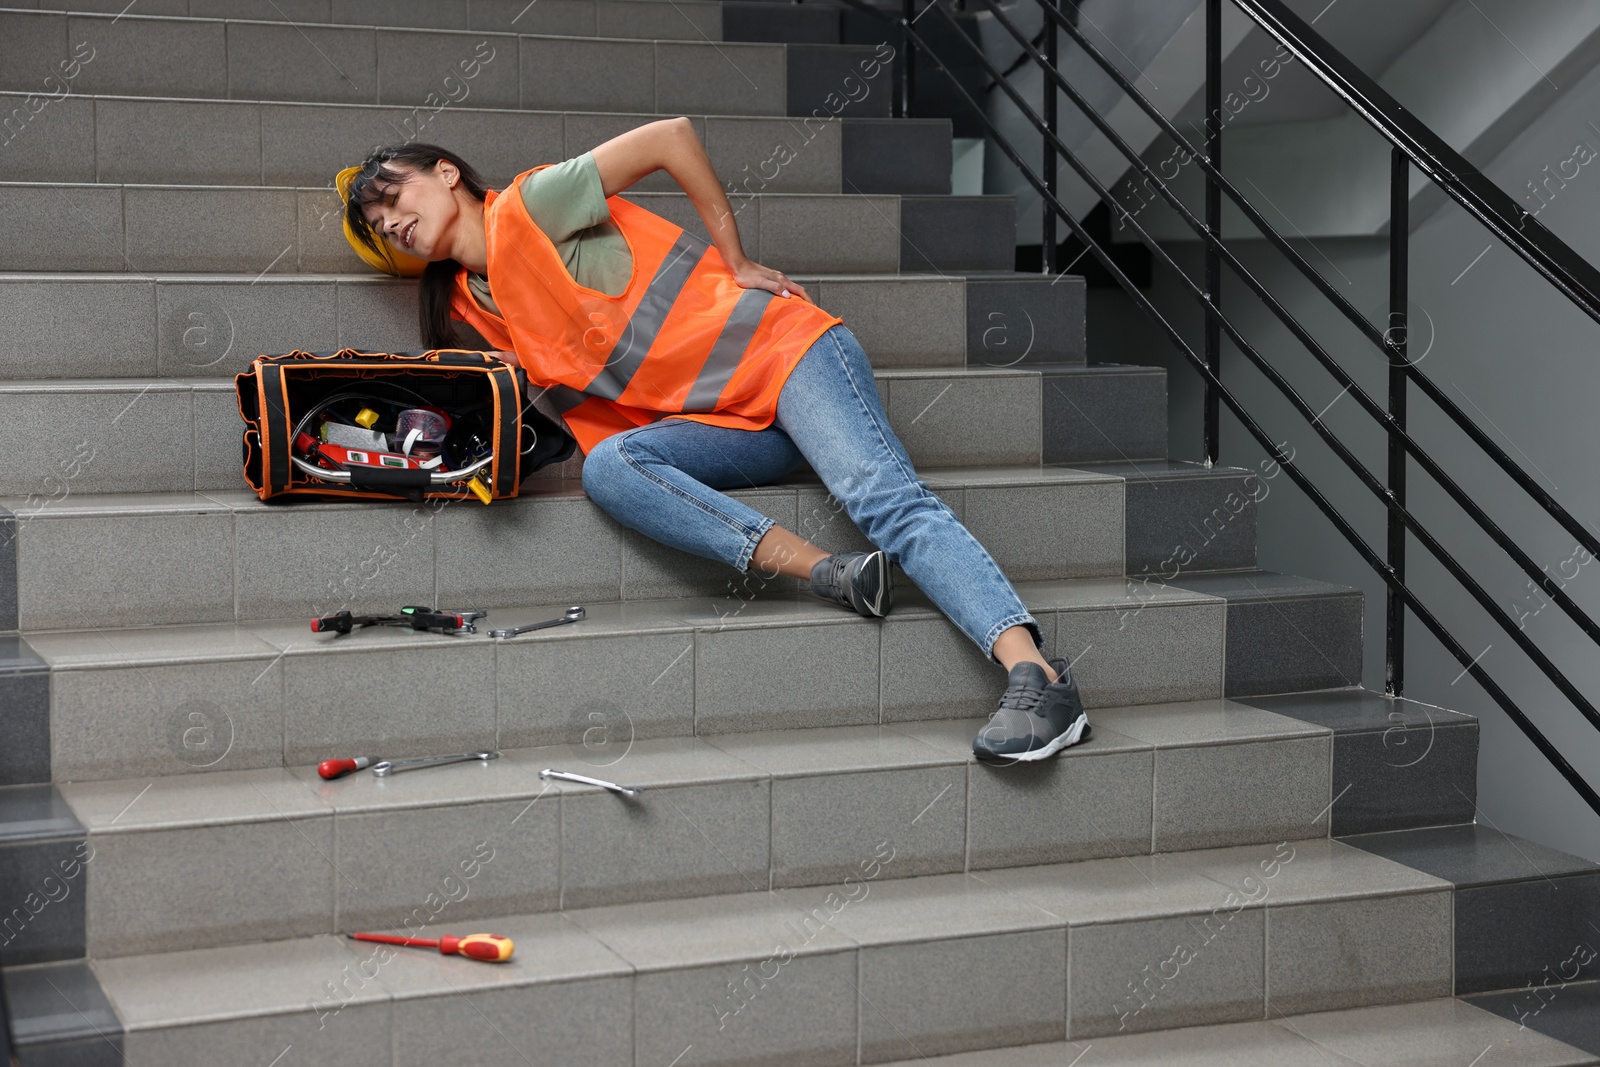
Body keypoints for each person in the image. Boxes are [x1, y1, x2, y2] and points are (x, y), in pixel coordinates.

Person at [338, 119, 1089, 761]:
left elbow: (672, 136)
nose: (390, 220)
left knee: (884, 499)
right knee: (611, 469)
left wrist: (734, 258)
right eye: (377, 224)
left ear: (446, 174)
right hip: (733, 425)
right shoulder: (474, 304)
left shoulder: (532, 205)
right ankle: (831, 572)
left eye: (392, 196)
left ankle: (1042, 681)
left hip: (786, 357)